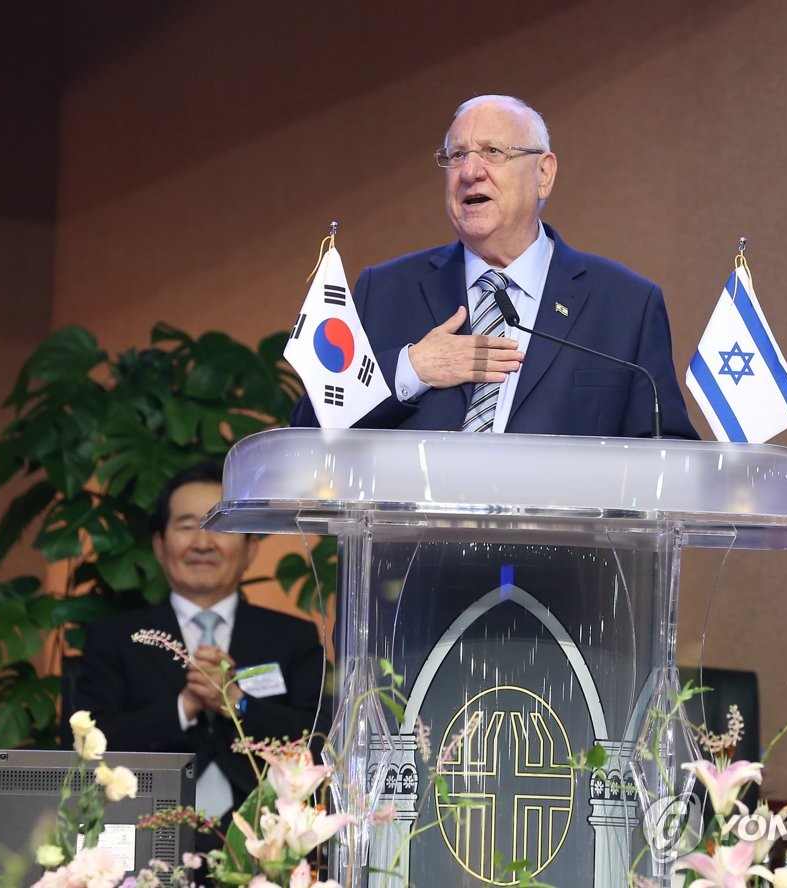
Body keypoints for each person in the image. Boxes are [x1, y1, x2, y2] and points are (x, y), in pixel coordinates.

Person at [291, 94, 699, 440]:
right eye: (456, 156)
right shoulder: (383, 290)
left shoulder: (626, 304)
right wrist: (411, 369)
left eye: (492, 152)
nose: (469, 171)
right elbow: (308, 431)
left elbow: (665, 456)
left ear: (544, 174)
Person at [74, 461, 327, 847]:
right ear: (160, 546)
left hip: (269, 841)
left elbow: (321, 742)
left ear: (250, 548)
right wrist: (186, 705)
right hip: (145, 835)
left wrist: (238, 703)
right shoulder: (114, 638)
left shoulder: (292, 637)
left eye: (218, 526)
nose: (203, 541)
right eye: (187, 525)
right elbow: (88, 748)